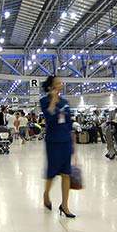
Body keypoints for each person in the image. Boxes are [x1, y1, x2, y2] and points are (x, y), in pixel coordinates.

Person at [40, 75, 76, 218]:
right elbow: (49, 118)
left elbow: (68, 123)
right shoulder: (44, 101)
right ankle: (46, 195)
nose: (61, 84)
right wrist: (53, 101)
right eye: (58, 83)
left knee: (66, 173)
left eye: (61, 82)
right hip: (53, 142)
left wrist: (73, 143)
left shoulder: (66, 102)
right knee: (52, 173)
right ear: (51, 86)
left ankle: (65, 205)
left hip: (65, 141)